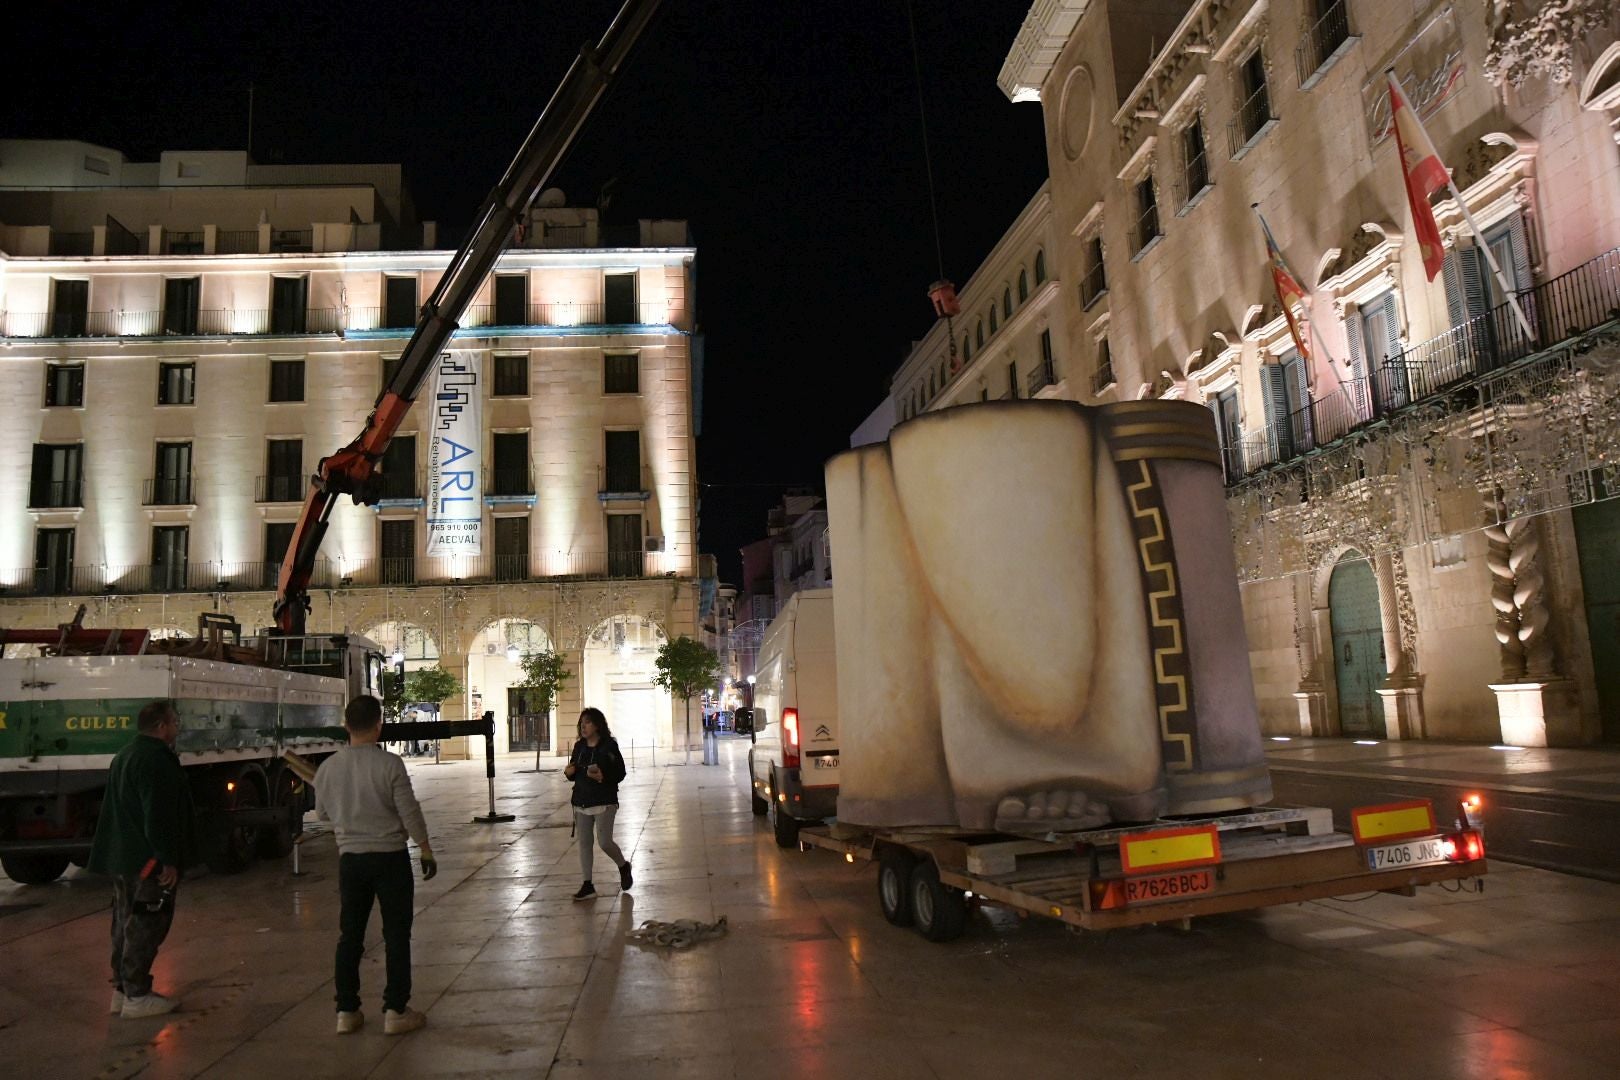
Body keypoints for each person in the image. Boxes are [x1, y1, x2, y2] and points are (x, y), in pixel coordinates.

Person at [314, 695, 436, 1036]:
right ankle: (396, 1009)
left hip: (350, 860)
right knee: (396, 934)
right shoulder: (390, 764)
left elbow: (323, 814)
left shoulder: (327, 768)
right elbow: (409, 810)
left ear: (346, 727)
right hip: (390, 859)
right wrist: (425, 848)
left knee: (349, 935)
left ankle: (347, 1010)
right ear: (379, 726)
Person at [88, 699, 197, 1020]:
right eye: (175, 722)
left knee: (123, 922)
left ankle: (121, 991)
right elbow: (158, 816)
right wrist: (166, 860)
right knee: (147, 923)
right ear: (162, 727)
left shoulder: (125, 755)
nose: (177, 727)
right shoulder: (156, 761)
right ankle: (137, 994)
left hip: (123, 857)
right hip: (147, 861)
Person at [564, 707, 631, 901]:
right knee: (585, 843)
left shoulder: (609, 746)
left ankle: (623, 865)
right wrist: (570, 772)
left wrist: (604, 776)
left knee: (604, 842)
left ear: (597, 725)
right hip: (582, 801)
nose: (583, 726)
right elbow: (575, 769)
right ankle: (587, 884)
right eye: (581, 723)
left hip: (604, 801)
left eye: (588, 722)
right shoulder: (579, 747)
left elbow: (620, 773)